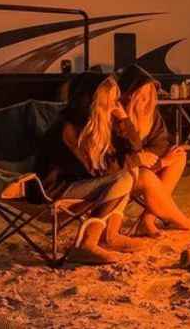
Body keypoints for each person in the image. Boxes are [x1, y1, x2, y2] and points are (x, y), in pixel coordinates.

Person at [36, 73, 142, 264]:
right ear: (94, 100)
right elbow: (87, 170)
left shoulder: (98, 123)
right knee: (123, 178)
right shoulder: (69, 128)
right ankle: (86, 244)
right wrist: (122, 163)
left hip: (77, 182)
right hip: (54, 190)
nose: (114, 104)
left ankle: (110, 235)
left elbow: (135, 147)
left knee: (130, 170)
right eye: (109, 99)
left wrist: (124, 120)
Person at [115, 65, 190, 237]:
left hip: (144, 165)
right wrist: (126, 121)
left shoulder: (150, 114)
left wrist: (163, 159)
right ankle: (179, 219)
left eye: (149, 95)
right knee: (147, 175)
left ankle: (147, 219)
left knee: (179, 157)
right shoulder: (116, 117)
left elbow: (160, 142)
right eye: (141, 96)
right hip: (122, 170)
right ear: (128, 95)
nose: (145, 101)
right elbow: (129, 150)